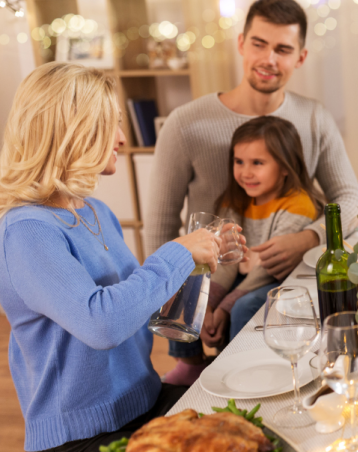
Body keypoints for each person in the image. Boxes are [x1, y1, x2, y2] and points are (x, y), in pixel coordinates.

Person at [0, 62, 228, 451]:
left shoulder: (95, 212)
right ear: (72, 132)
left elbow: (144, 317)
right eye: (111, 125)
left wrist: (198, 266)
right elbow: (102, 324)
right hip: (83, 436)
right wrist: (178, 252)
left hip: (144, 403)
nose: (121, 138)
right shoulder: (27, 231)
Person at [144, 0, 358, 381]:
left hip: (278, 269)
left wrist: (308, 238)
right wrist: (163, 288)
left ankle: (252, 375)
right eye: (260, 44)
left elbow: (351, 201)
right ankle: (191, 369)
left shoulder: (314, 118)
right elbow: (161, 223)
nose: (269, 59)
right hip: (215, 267)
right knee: (184, 299)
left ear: (300, 57)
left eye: (283, 49)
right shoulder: (185, 123)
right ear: (242, 43)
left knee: (253, 326)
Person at [165, 116, 324, 385]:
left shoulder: (298, 204)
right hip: (246, 272)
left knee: (243, 307)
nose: (245, 172)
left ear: (285, 167)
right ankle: (191, 362)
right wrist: (210, 302)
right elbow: (227, 259)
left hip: (280, 279)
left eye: (257, 163)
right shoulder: (235, 200)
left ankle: (240, 368)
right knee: (186, 288)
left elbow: (265, 268)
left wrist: (224, 309)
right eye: (239, 162)